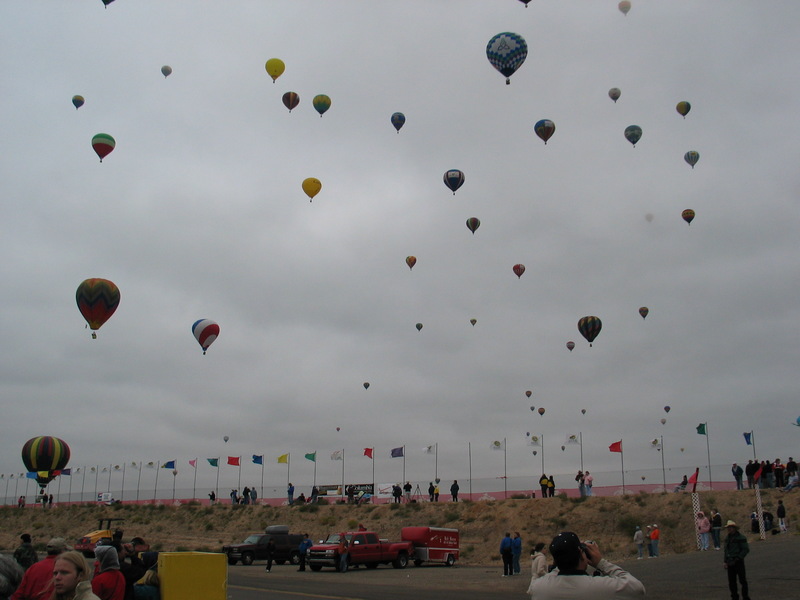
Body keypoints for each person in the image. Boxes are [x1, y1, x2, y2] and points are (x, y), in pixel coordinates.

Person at [528, 532, 645, 599]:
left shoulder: (538, 588)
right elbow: (638, 588)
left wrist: (562, 558)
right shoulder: (600, 587)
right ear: (581, 553)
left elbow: (555, 572)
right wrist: (601, 563)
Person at [723, 520, 750, 600]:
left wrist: (738, 558)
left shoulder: (741, 538)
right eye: (728, 527)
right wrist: (725, 561)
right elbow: (726, 550)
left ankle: (745, 597)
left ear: (734, 528)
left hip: (738, 561)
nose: (729, 529)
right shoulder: (727, 538)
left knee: (742, 580)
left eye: (731, 527)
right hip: (730, 561)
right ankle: (734, 597)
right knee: (732, 582)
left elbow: (745, 549)